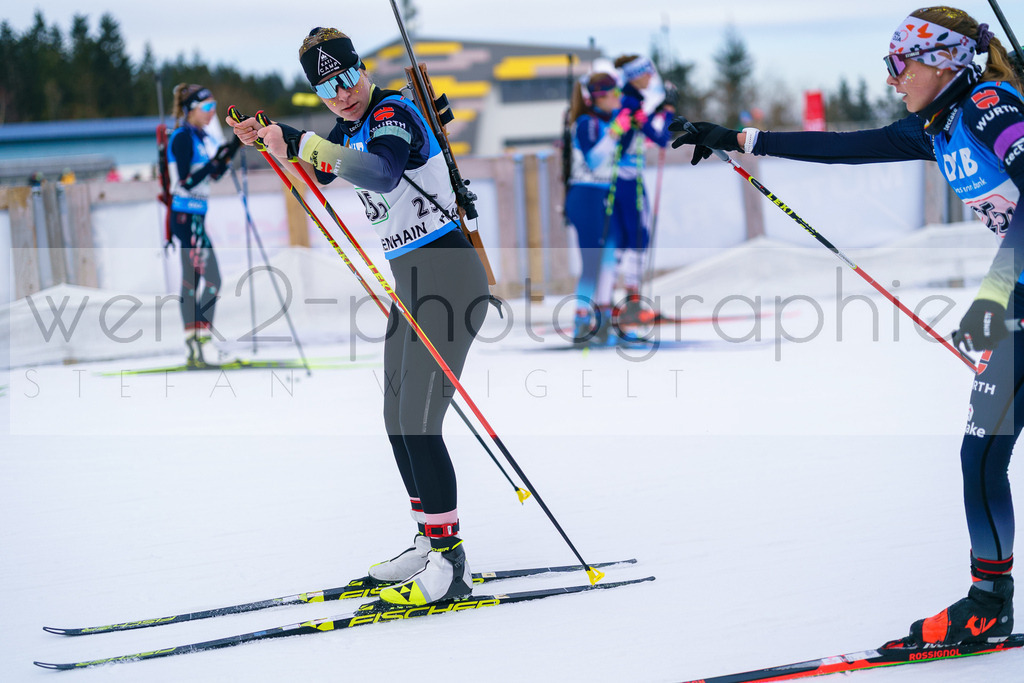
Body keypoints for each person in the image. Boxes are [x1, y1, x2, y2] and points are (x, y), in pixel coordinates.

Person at [671, 6, 1023, 646]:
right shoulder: (940, 126)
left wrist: (995, 299)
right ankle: (988, 601)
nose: (894, 79)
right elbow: (844, 148)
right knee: (982, 451)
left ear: (942, 61)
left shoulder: (991, 105)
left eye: (900, 64)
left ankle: (988, 603)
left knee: (982, 453)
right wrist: (737, 139)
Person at [227, 27, 489, 607]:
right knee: (398, 416)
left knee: (420, 420)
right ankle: (428, 540)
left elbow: (380, 173)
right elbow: (324, 169)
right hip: (413, 285)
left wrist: (296, 140)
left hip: (449, 280)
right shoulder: (348, 127)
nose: (342, 95)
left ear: (362, 69)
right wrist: (270, 140)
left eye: (347, 78)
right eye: (326, 88)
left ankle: (451, 563)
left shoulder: (393, 110)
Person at [167, 83, 240, 367]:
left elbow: (214, 174)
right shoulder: (184, 137)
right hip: (187, 216)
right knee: (210, 279)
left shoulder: (199, 137)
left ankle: (194, 345)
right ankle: (201, 343)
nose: (212, 113)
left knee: (195, 279)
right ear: (190, 110)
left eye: (214, 107)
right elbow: (186, 181)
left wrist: (233, 145)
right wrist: (214, 163)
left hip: (194, 216)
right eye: (207, 107)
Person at [564, 70, 629, 344]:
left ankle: (602, 318)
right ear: (599, 98)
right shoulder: (586, 122)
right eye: (614, 93)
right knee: (592, 262)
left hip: (604, 194)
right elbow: (593, 159)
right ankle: (581, 320)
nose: (618, 98)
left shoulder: (606, 120)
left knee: (610, 258)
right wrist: (615, 132)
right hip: (586, 195)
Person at [611, 55, 675, 326]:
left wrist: (659, 110)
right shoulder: (631, 103)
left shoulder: (625, 100)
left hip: (616, 179)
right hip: (628, 179)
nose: (651, 77)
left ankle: (611, 303)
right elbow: (659, 138)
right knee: (638, 236)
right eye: (647, 73)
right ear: (636, 75)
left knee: (623, 240)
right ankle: (631, 304)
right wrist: (669, 111)